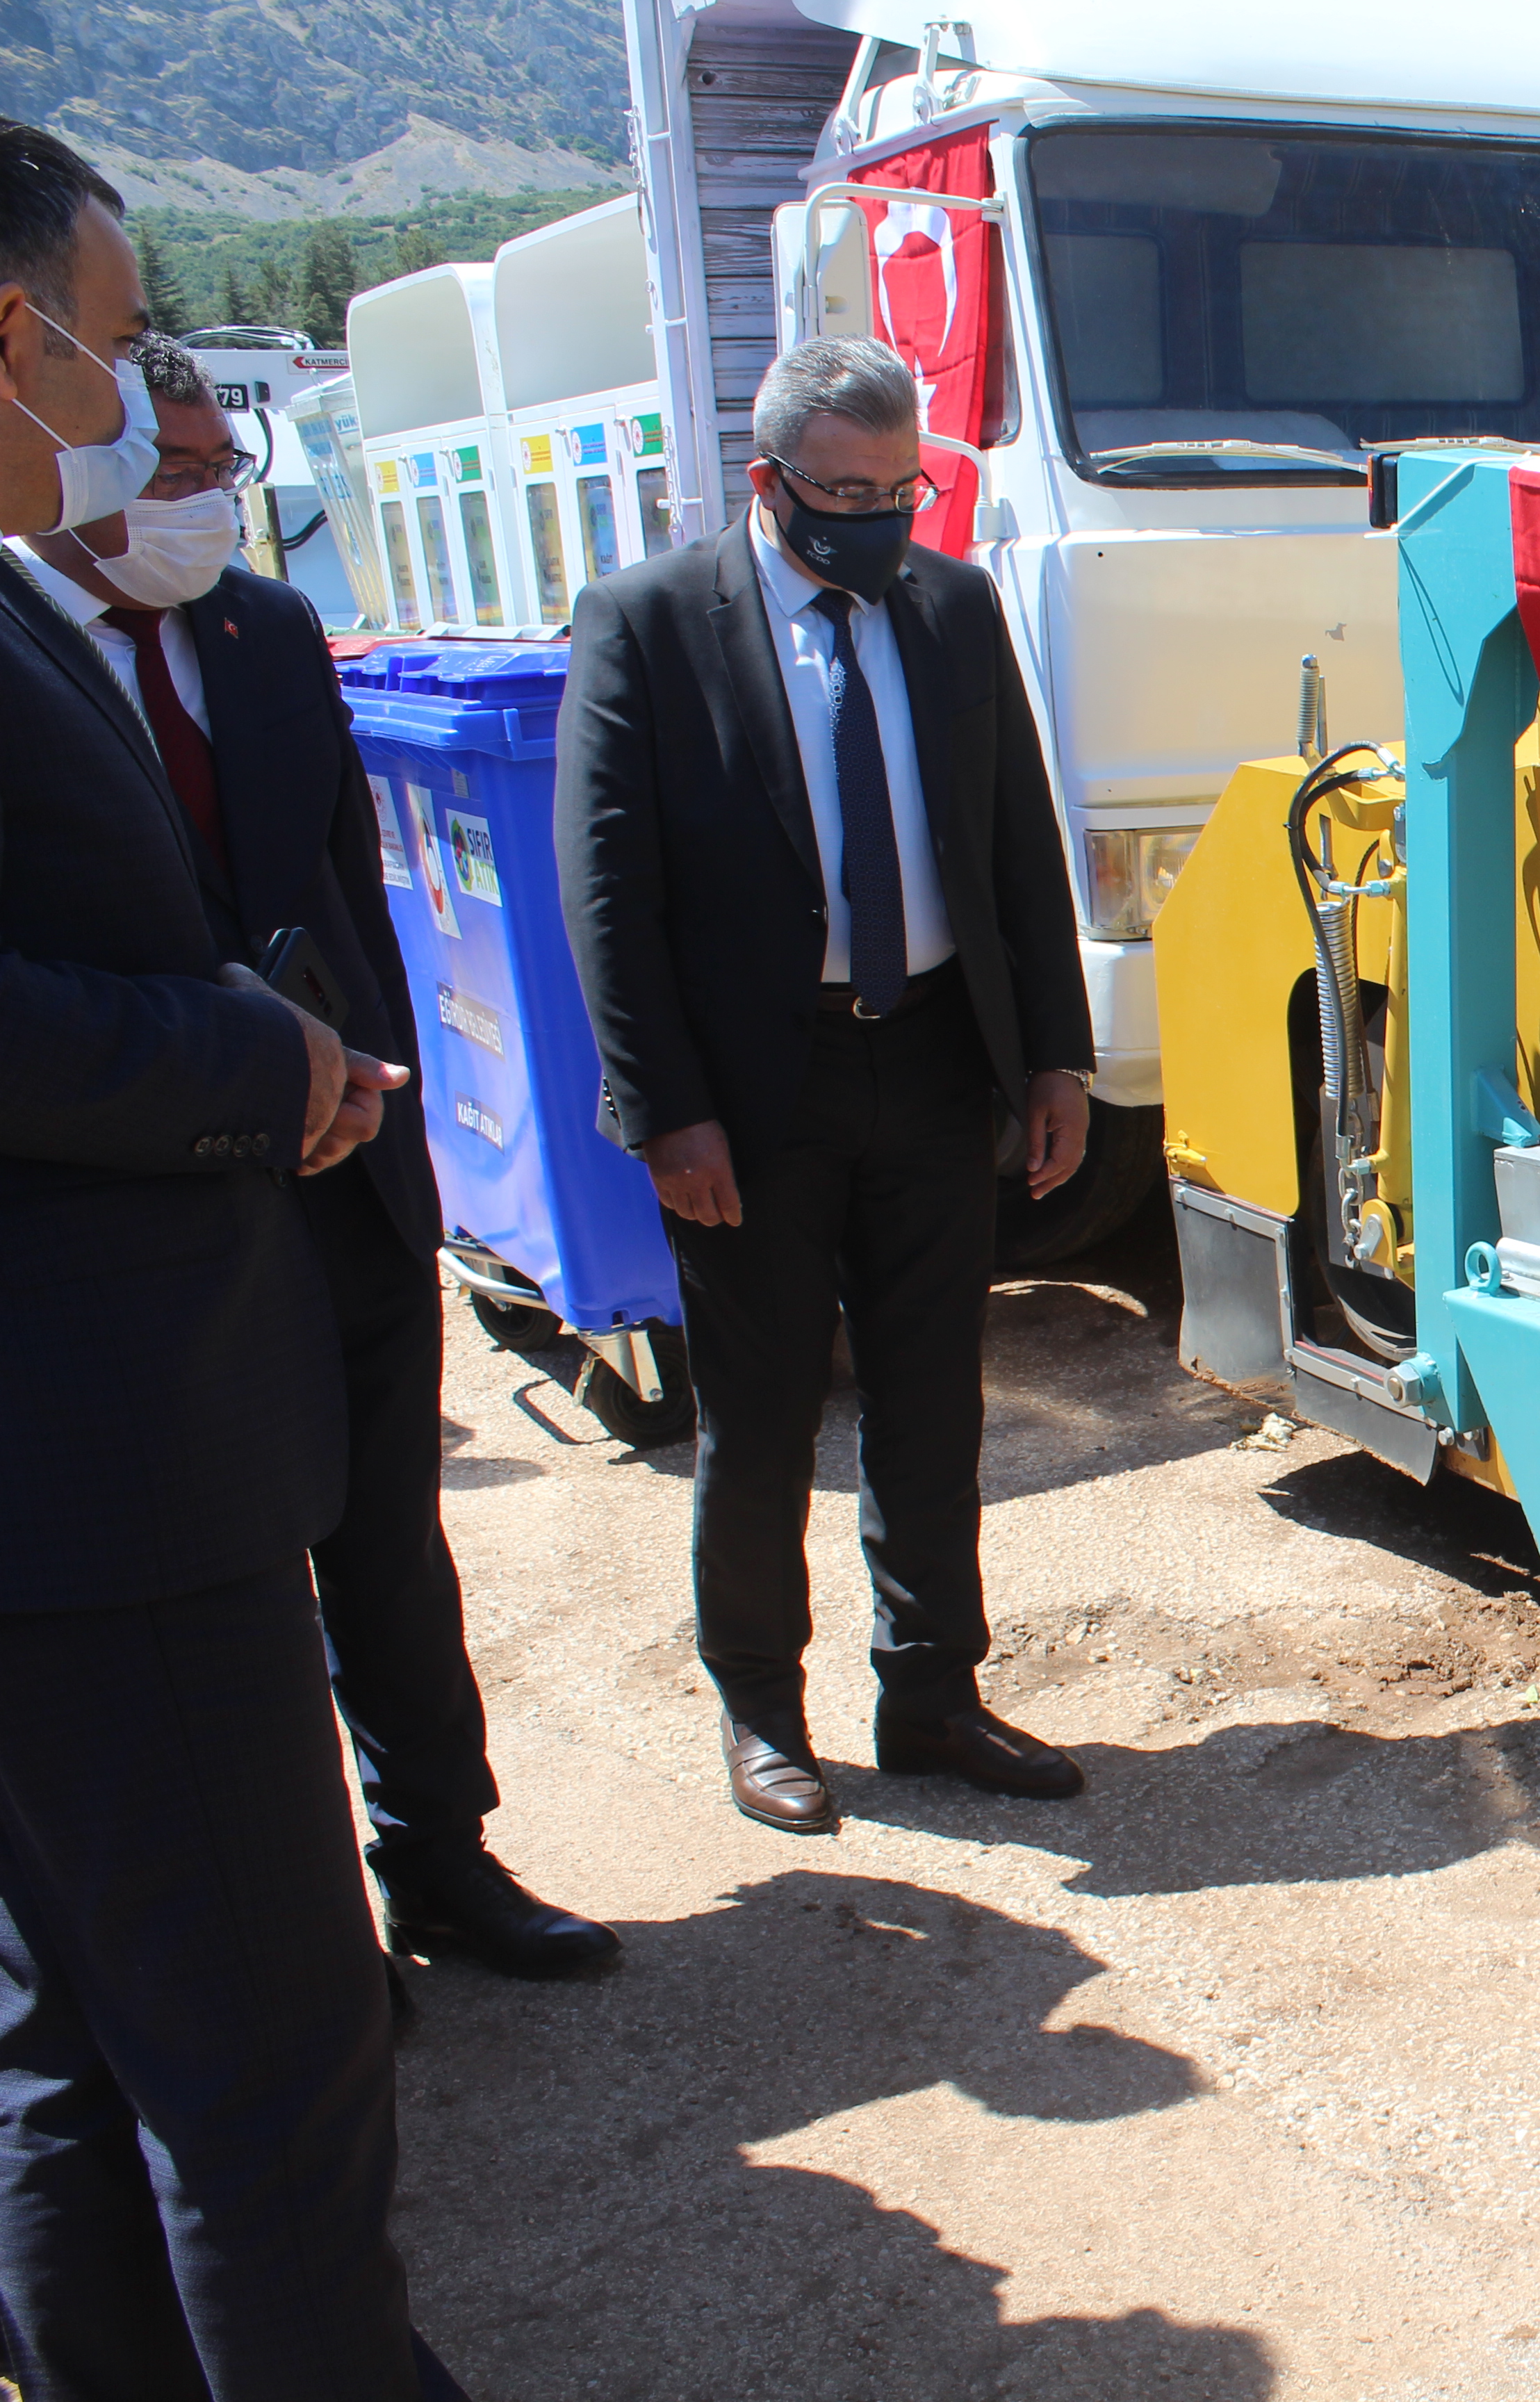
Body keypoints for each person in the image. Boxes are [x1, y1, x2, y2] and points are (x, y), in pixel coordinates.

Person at [0, 120, 465, 2399]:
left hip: (103, 1461)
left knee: (79, 2048)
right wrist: (234, 1052)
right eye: (108, 332)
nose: (134, 391)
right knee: (265, 2073)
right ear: (12, 334)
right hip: (102, 1483)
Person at [11, 331, 616, 1982]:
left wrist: (383, 1117)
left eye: (222, 474)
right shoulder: (27, 653)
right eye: (170, 474)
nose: (202, 504)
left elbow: (353, 895)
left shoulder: (267, 632)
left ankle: (442, 1857)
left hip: (344, 1172)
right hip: (153, 1200)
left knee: (387, 1545)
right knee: (230, 1583)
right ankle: (302, 1935)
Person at [557, 335, 1098, 1836]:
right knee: (764, 1414)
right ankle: (761, 1713)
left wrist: (1055, 1054)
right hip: (753, 1091)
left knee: (934, 1400)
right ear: (769, 480)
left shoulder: (951, 606)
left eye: (897, 488)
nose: (872, 514)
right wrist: (666, 1111)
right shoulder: (653, 623)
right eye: (840, 490)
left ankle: (932, 1692)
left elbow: (1013, 843)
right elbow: (609, 890)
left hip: (930, 1060)